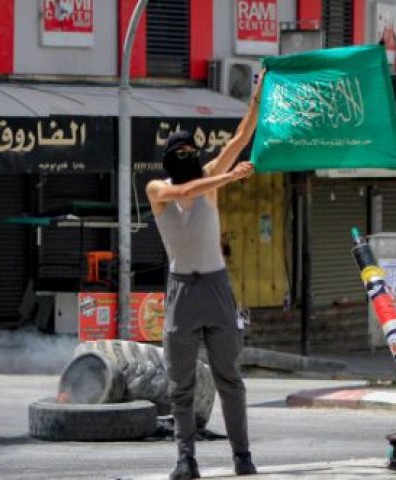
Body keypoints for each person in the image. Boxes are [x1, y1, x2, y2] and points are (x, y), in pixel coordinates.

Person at [145, 72, 265, 480]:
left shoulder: (210, 176)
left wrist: (256, 98)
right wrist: (229, 178)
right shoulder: (158, 189)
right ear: (168, 157)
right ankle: (185, 460)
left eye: (190, 151)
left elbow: (240, 138)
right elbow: (183, 193)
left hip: (215, 286)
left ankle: (242, 456)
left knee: (229, 377)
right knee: (180, 384)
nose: (186, 156)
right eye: (178, 152)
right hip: (181, 290)